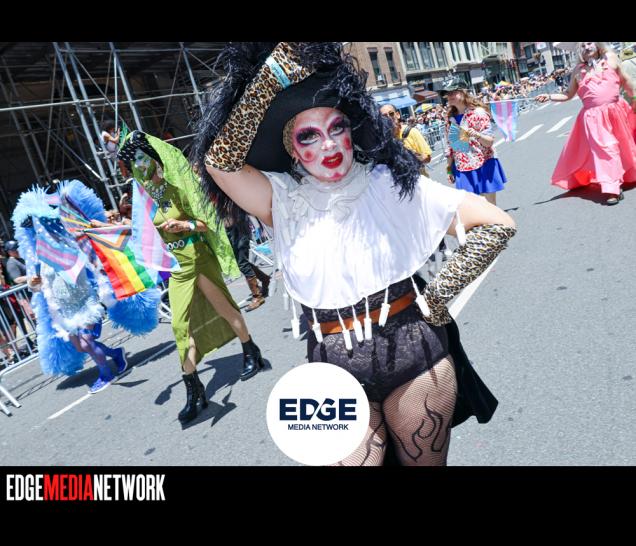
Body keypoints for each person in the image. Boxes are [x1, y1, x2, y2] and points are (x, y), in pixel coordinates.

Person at [193, 42, 516, 466]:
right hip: (331, 370)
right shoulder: (281, 199)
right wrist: (272, 77)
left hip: (415, 357)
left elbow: (497, 224)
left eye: (336, 128)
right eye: (309, 135)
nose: (328, 145)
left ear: (351, 131)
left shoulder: (390, 182)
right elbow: (219, 162)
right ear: (292, 149)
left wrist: (438, 296)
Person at [118, 131, 267, 425]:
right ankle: (194, 389)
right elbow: (139, 234)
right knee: (179, 326)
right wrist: (100, 230)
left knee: (225, 308)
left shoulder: (178, 187)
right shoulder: (146, 200)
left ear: (156, 160)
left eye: (142, 159)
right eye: (135, 162)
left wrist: (183, 224)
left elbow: (204, 222)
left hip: (198, 258)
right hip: (177, 268)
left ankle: (251, 351)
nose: (139, 166)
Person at [12, 182, 161, 393]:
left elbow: (94, 264)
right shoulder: (43, 256)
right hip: (64, 309)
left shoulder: (74, 245)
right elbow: (37, 283)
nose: (43, 231)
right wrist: (33, 282)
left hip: (85, 302)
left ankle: (106, 374)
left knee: (87, 342)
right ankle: (116, 354)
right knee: (80, 346)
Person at [536, 42, 636, 205]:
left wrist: (634, 98)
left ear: (598, 45)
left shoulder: (611, 59)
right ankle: (613, 188)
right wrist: (549, 97)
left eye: (589, 43)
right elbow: (568, 94)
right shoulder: (578, 71)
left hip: (616, 111)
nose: (587, 47)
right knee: (607, 148)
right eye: (582, 45)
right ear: (579, 51)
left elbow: (625, 80)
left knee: (624, 146)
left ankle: (622, 175)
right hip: (594, 118)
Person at [442, 76, 507, 207]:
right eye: (447, 93)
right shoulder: (450, 118)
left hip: (484, 162)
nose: (449, 96)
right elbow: (451, 146)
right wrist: (449, 169)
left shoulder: (478, 113)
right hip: (462, 166)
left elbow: (489, 142)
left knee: (489, 206)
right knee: (473, 207)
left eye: (453, 92)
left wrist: (477, 135)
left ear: (463, 92)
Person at [224, 214, 271, 311]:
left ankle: (257, 296)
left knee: (242, 263)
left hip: (238, 227)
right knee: (241, 262)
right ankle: (264, 279)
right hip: (230, 229)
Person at [380, 104, 432, 176]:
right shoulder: (383, 140)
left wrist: (409, 156)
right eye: (384, 116)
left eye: (391, 114)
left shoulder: (411, 131)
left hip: (419, 178)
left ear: (397, 115)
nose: (389, 117)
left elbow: (427, 158)